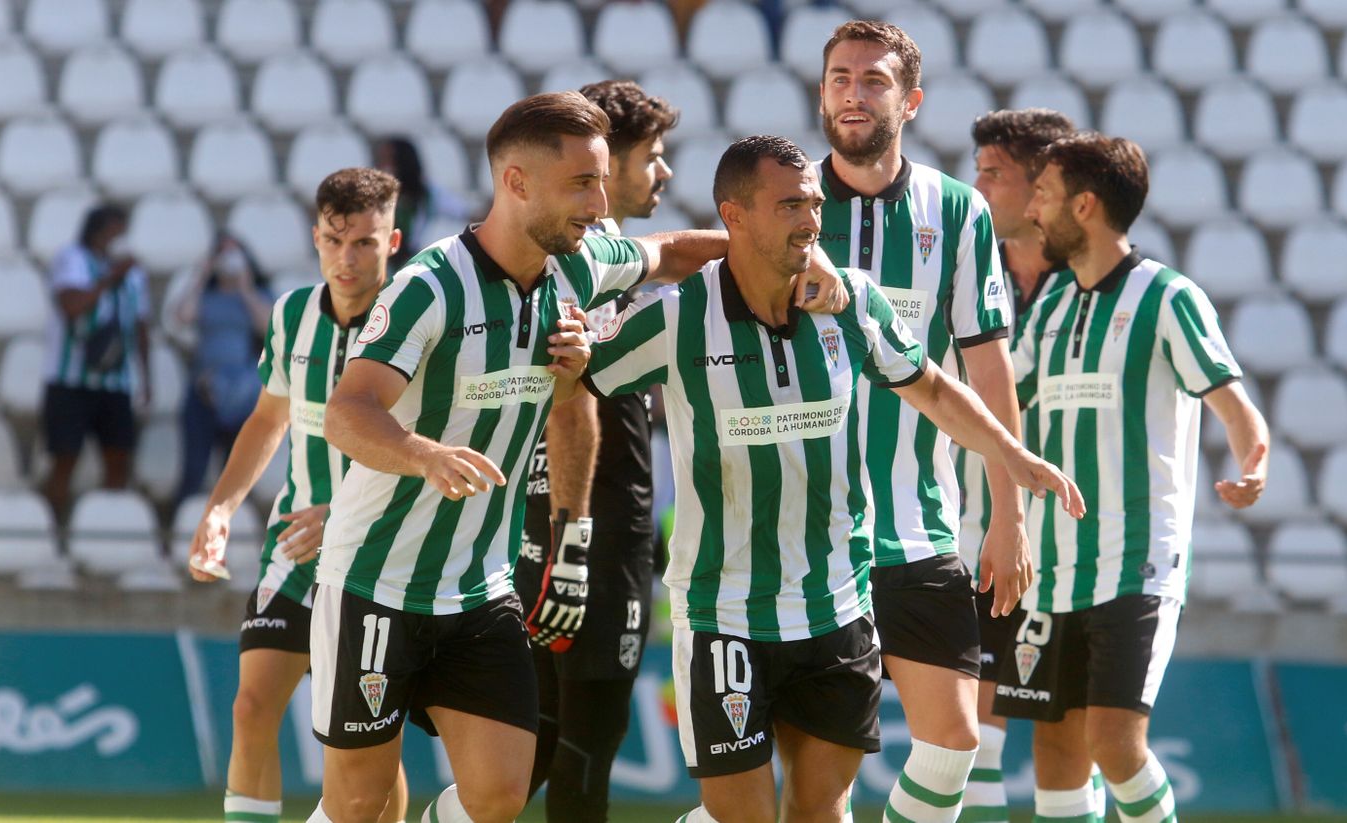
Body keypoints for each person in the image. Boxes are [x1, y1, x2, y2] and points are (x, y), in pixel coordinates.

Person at [309, 92, 846, 823]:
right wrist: (424, 454)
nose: (599, 203)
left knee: (499, 794)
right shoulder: (429, 287)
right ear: (517, 183)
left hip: (476, 590)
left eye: (601, 179)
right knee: (358, 803)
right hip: (377, 579)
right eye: (582, 184)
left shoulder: (580, 264)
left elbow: (672, 252)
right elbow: (348, 410)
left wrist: (798, 257)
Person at [575, 134, 1084, 823]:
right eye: (789, 204)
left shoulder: (850, 304)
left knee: (821, 811)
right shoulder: (677, 317)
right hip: (725, 615)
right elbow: (573, 376)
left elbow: (932, 389)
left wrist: (1010, 456)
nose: (811, 218)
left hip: (837, 609)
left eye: (813, 202)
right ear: (735, 214)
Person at [995, 131, 1270, 823]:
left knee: (1114, 742)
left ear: (1084, 206)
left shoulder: (1169, 297)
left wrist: (1253, 463)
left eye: (1046, 196)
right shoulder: (1052, 306)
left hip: (1136, 558)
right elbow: (1004, 409)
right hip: (1052, 566)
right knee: (1056, 753)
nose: (1033, 211)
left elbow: (1235, 407)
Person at [815, 21, 1029, 821]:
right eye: (840, 78)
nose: (853, 94)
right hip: (806, 533)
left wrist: (1008, 516)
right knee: (819, 777)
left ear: (910, 100)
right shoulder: (784, 195)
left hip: (919, 525)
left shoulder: (958, 209)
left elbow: (988, 367)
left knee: (953, 743)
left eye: (873, 80)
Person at [185, 169, 411, 823]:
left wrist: (343, 513)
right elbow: (266, 418)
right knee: (252, 706)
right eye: (336, 240)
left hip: (381, 554)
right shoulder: (290, 314)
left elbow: (429, 444)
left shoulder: (418, 322)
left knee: (366, 746)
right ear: (316, 237)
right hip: (298, 548)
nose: (348, 257)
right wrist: (221, 510)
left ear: (392, 240)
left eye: (365, 242)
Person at [515, 79, 678, 822]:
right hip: (591, 540)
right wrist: (571, 543)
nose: (663, 173)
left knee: (537, 755)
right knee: (579, 753)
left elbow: (673, 249)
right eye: (653, 156)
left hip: (547, 533)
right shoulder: (584, 273)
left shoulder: (566, 264)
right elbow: (570, 401)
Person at [958, 106, 1083, 823]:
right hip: (979, 535)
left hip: (1077, 552)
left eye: (994, 174)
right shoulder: (967, 273)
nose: (980, 190)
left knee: (1073, 744)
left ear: (1044, 183)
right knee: (970, 733)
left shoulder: (1101, 279)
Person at [42, 203, 152, 521]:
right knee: (65, 459)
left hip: (116, 383)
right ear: (96, 233)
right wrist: (110, 278)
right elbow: (72, 306)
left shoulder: (136, 275)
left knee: (118, 459)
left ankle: (106, 527)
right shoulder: (71, 259)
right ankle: (53, 527)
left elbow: (141, 327)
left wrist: (146, 380)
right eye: (113, 232)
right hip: (69, 382)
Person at [170, 232, 275, 505]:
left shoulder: (259, 294)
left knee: (237, 473)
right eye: (222, 254)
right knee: (195, 469)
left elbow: (270, 327)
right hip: (203, 391)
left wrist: (245, 288)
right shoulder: (207, 296)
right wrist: (202, 274)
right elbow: (182, 316)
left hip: (243, 394)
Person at [374, 136, 471, 270]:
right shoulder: (373, 193)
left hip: (411, 264)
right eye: (381, 160)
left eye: (388, 160)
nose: (382, 166)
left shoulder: (429, 194)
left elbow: (465, 213)